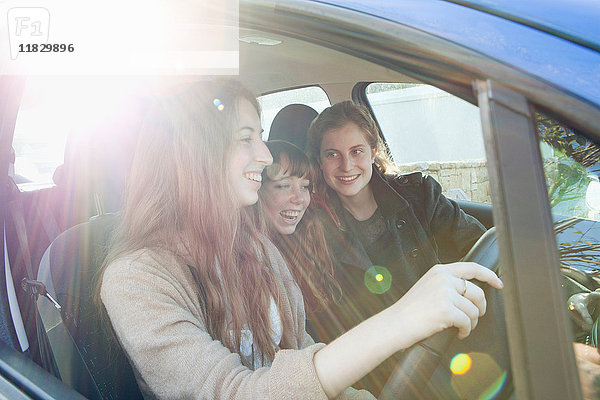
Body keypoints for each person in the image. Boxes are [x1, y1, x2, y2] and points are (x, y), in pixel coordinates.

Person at [97, 79, 503, 400]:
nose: (264, 154)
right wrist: (402, 319)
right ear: (190, 151)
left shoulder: (255, 248)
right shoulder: (136, 279)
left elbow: (303, 350)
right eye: (245, 138)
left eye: (260, 135)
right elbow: (228, 392)